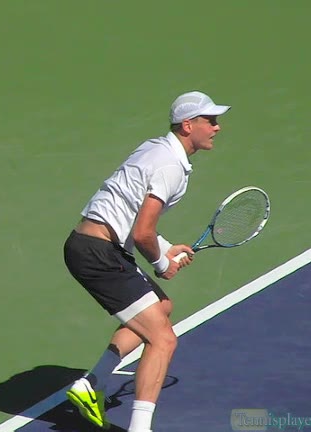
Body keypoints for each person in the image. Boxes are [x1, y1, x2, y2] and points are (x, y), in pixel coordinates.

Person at [63, 91, 231, 432]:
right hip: (98, 253)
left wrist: (165, 247)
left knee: (162, 306)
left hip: (93, 246)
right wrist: (162, 263)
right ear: (188, 125)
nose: (217, 127)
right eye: (210, 120)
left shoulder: (155, 148)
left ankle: (93, 383)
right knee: (163, 339)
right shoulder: (170, 166)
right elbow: (142, 233)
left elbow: (128, 208)